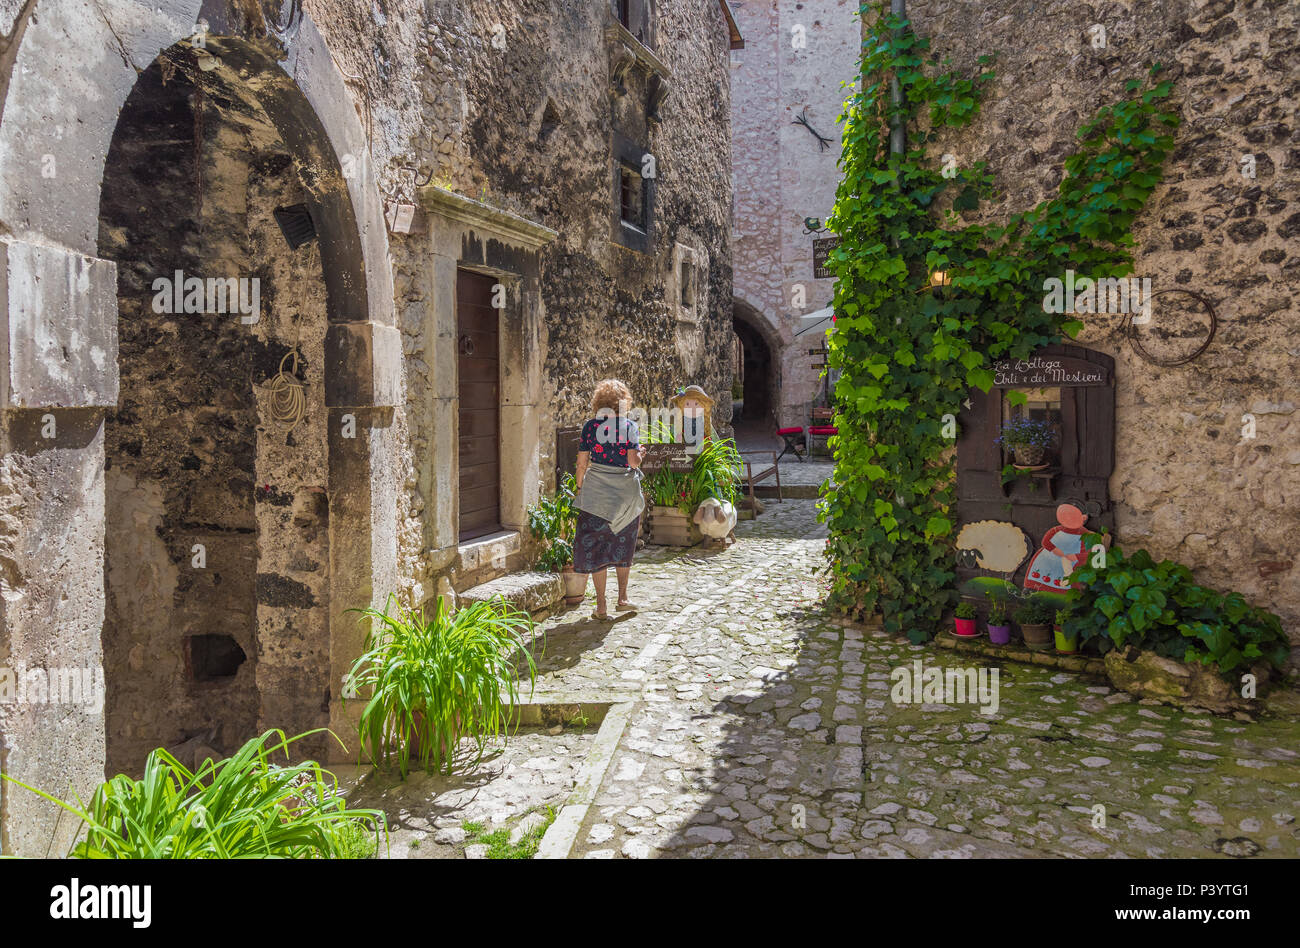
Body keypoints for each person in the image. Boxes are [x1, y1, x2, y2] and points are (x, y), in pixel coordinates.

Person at [573, 379, 645, 619]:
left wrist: (581, 488)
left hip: (596, 494)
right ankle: (623, 598)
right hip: (624, 494)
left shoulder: (590, 427)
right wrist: (640, 455)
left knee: (598, 547)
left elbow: (582, 463)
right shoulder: (629, 427)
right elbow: (633, 462)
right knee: (623, 543)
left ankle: (601, 606)